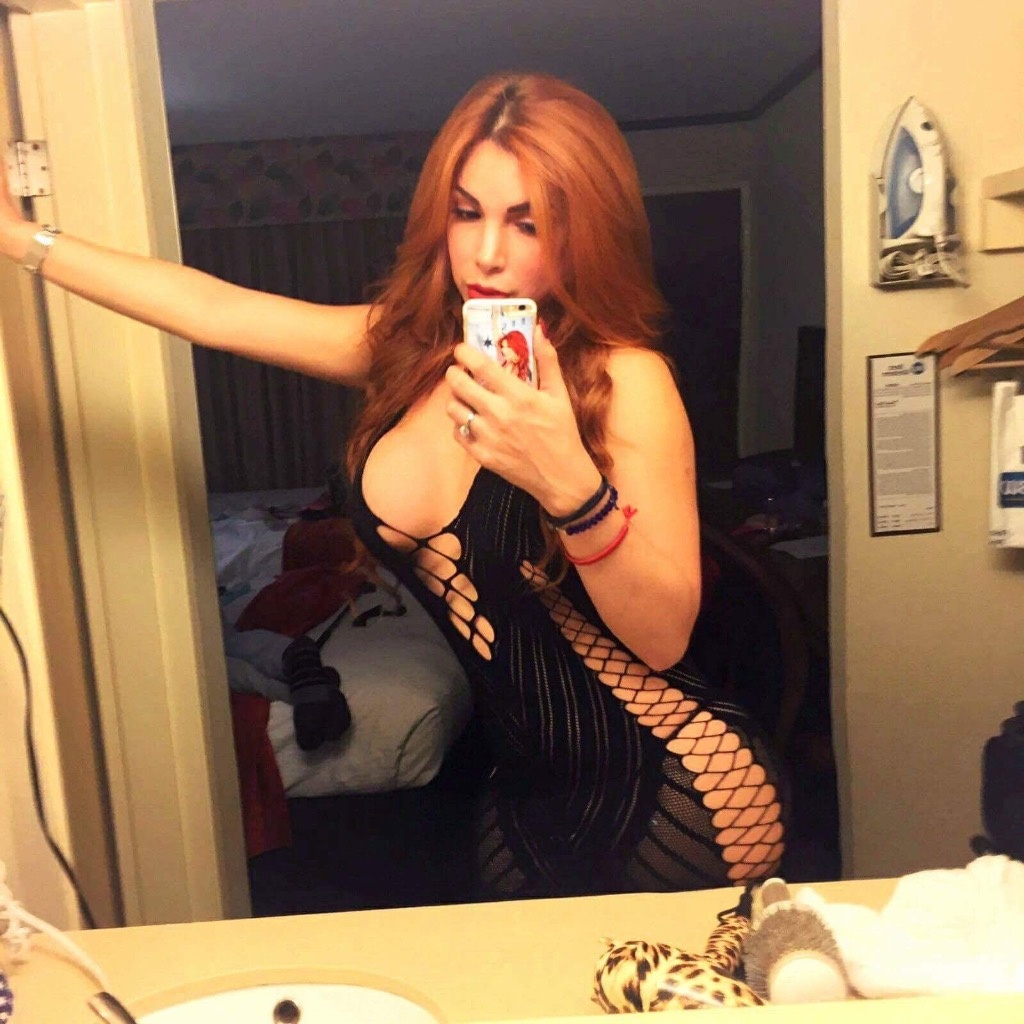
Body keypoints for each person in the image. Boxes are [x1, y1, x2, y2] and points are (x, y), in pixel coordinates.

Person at [0, 73, 785, 896]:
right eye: (467, 212)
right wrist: (23, 240)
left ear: (584, 233)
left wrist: (569, 484)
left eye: (528, 223)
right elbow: (215, 312)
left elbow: (662, 639)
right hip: (519, 794)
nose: (487, 253)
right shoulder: (405, 352)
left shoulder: (624, 380)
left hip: (681, 785)